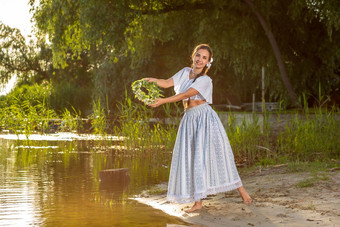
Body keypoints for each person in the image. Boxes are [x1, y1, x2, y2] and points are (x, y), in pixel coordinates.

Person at [144, 44, 252, 213]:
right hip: (189, 119)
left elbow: (185, 94)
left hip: (204, 118)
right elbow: (166, 83)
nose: (200, 60)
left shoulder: (205, 80)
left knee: (220, 155)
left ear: (208, 62)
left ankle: (242, 191)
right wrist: (151, 80)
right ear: (193, 55)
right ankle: (198, 202)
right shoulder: (184, 72)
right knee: (194, 158)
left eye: (204, 58)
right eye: (198, 55)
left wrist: (162, 101)